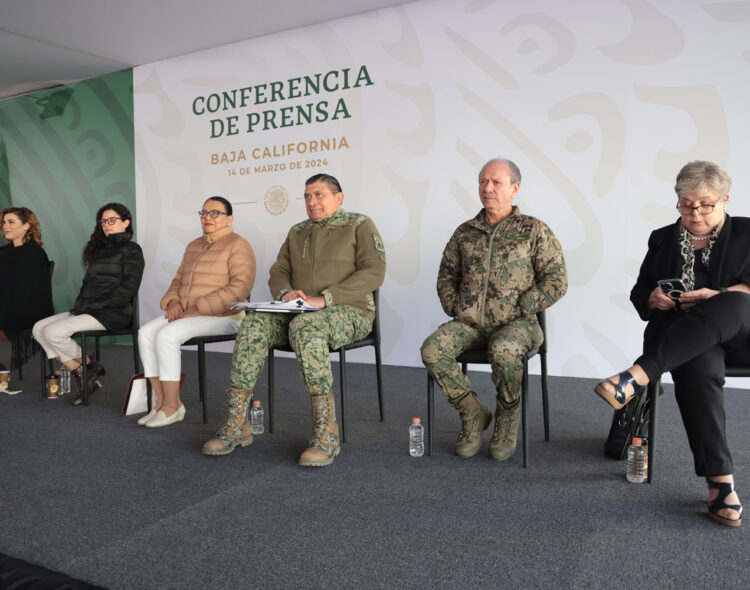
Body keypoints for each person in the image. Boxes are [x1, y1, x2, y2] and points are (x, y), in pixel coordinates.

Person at [594, 160, 750, 527]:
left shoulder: (748, 233)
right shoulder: (663, 238)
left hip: (741, 335)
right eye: (685, 204)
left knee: (734, 301)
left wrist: (721, 293)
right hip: (687, 343)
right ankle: (720, 484)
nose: (694, 214)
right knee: (698, 364)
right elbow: (638, 293)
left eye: (705, 205)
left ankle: (637, 376)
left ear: (725, 199)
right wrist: (653, 298)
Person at [202, 173, 386, 466]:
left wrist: (326, 298)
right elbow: (279, 270)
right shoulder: (297, 231)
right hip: (299, 312)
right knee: (253, 322)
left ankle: (327, 432)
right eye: (307, 196)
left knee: (306, 327)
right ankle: (237, 424)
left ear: (339, 198)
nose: (312, 202)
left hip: (350, 311)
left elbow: (374, 271)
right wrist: (286, 293)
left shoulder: (359, 225)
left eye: (319, 195)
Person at [421, 158, 567, 461]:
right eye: (483, 182)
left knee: (503, 350)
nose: (487, 188)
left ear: (514, 188)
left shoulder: (532, 230)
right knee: (432, 350)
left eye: (496, 182)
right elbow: (447, 275)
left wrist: (526, 304)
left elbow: (557, 279)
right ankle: (472, 412)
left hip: (518, 324)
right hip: (471, 324)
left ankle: (507, 415)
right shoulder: (465, 232)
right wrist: (455, 305)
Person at [137, 196, 256, 428]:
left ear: (230, 218)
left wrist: (198, 308)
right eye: (203, 213)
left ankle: (173, 407)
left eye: (215, 213)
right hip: (189, 313)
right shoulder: (193, 245)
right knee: (145, 333)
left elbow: (240, 288)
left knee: (167, 335)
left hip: (225, 316)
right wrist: (173, 301)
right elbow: (179, 279)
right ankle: (162, 403)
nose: (208, 218)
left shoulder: (239, 245)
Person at [32, 203, 144, 405]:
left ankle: (86, 370)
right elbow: (88, 286)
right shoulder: (101, 250)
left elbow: (129, 287)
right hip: (87, 309)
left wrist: (99, 306)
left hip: (112, 313)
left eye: (112, 220)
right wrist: (82, 307)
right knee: (39, 328)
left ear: (126, 222)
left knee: (53, 332)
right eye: (103, 221)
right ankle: (88, 368)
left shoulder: (132, 249)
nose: (106, 225)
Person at [0, 207, 54, 373]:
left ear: (26, 226)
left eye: (11, 222)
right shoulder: (3, 252)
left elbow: (33, 292)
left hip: (26, 310)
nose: (5, 226)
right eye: (3, 222)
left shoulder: (34, 253)